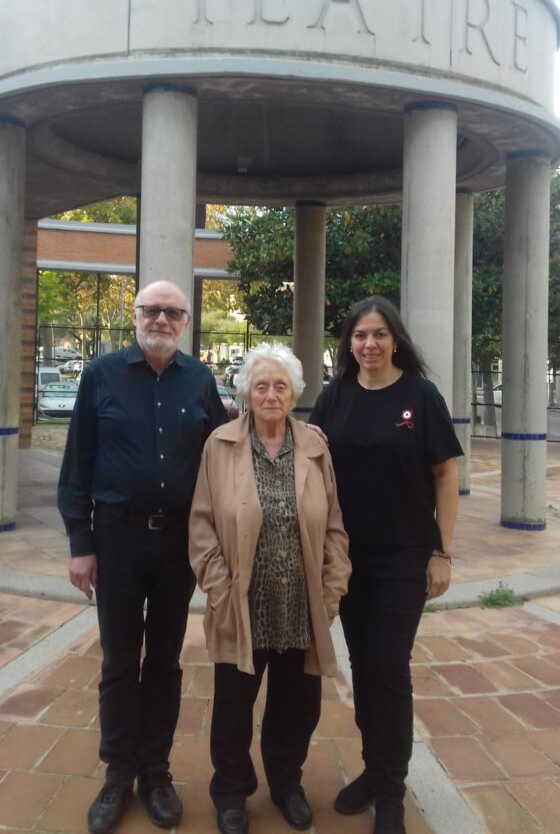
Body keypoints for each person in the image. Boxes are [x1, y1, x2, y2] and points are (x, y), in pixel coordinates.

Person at [58, 280, 228, 834]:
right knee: (118, 660)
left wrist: (292, 433)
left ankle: (156, 772)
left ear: (185, 322)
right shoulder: (100, 375)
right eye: (151, 310)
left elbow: (226, 449)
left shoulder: (199, 379)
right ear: (135, 315)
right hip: (117, 540)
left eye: (172, 313)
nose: (161, 320)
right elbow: (77, 465)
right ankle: (118, 774)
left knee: (164, 661)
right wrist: (81, 545)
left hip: (178, 543)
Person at [310, 295, 461, 834]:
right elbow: (310, 464)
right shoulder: (334, 397)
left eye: (378, 334)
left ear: (395, 340)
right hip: (347, 558)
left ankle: (391, 792)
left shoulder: (420, 395)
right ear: (348, 344)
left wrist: (441, 553)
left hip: (404, 556)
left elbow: (445, 476)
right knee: (364, 669)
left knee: (389, 668)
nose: (369, 344)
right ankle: (375, 771)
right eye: (359, 336)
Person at [189, 343, 351, 834]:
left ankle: (286, 784)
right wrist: (219, 590)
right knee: (233, 708)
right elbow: (201, 526)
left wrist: (330, 592)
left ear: (294, 393)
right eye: (261, 386)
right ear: (246, 392)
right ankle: (231, 791)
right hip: (240, 604)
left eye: (281, 386)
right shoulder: (219, 445)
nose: (271, 394)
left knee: (297, 706)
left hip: (301, 605)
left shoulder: (315, 448)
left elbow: (335, 528)